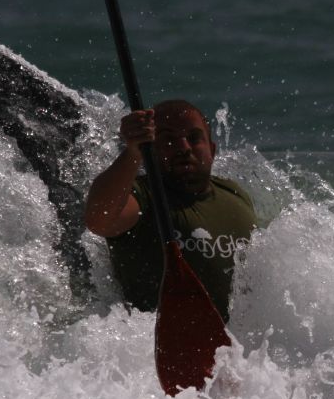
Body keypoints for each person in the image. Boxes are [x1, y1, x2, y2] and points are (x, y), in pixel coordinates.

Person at [84, 99, 257, 322]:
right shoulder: (144, 196)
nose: (183, 148)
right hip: (156, 348)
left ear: (212, 150)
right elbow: (100, 220)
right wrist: (133, 152)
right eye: (167, 140)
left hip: (244, 353)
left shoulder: (235, 195)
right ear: (150, 151)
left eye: (194, 138)